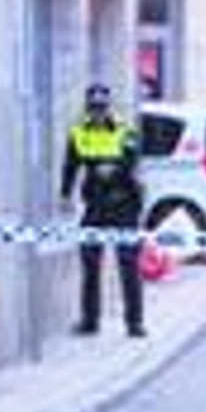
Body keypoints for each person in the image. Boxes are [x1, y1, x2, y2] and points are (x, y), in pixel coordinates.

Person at [60, 81, 146, 339]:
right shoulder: (78, 132)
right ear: (88, 108)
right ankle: (89, 321)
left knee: (128, 264)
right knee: (90, 263)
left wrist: (114, 168)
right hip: (95, 204)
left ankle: (134, 323)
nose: (98, 112)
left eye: (102, 107)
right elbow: (71, 165)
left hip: (124, 203)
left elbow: (132, 159)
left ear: (108, 107)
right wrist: (65, 194)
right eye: (93, 108)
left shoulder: (124, 129)